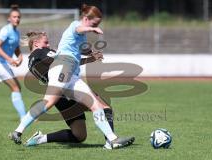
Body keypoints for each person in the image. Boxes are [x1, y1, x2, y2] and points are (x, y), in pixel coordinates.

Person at [11, 4, 134, 149]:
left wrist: (90, 55)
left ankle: (112, 140)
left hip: (70, 75)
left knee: (96, 106)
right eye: (95, 23)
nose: (49, 45)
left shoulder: (41, 56)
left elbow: (81, 49)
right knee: (48, 101)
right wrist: (90, 29)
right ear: (86, 19)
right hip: (62, 69)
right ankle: (18, 130)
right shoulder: (74, 27)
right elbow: (78, 30)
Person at [19, 31, 115, 149]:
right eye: (46, 42)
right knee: (105, 108)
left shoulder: (31, 61)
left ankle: (40, 139)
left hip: (60, 97)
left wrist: (89, 59)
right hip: (68, 87)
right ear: (36, 43)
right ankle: (111, 142)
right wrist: (86, 54)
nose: (48, 45)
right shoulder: (41, 52)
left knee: (79, 135)